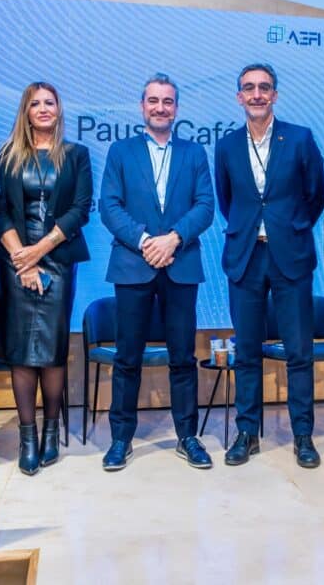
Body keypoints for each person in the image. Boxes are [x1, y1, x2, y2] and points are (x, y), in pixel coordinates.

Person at [98, 73, 215, 471]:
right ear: (142, 106)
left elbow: (205, 206)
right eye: (153, 101)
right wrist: (147, 240)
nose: (160, 107)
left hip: (181, 265)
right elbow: (109, 207)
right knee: (127, 358)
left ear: (176, 108)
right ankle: (120, 440)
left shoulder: (194, 153)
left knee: (183, 357)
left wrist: (173, 239)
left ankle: (188, 436)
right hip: (134, 265)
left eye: (167, 101)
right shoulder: (120, 151)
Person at [214, 64, 324, 468]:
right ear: (239, 97)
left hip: (290, 255)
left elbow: (316, 195)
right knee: (246, 350)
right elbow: (227, 201)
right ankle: (247, 433)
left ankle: (302, 436)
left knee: (298, 350)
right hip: (245, 256)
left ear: (275, 95)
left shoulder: (299, 138)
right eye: (249, 88)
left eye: (264, 88)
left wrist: (292, 227)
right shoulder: (226, 146)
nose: (257, 94)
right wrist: (252, 228)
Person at [0, 82, 92, 475]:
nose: (44, 109)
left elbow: (81, 209)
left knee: (50, 351)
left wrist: (41, 251)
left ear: (59, 109)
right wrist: (23, 258)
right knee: (21, 352)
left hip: (59, 260)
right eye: (36, 103)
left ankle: (53, 430)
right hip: (15, 261)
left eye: (50, 102)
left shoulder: (77, 155)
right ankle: (28, 437)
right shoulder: (7, 155)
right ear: (26, 111)